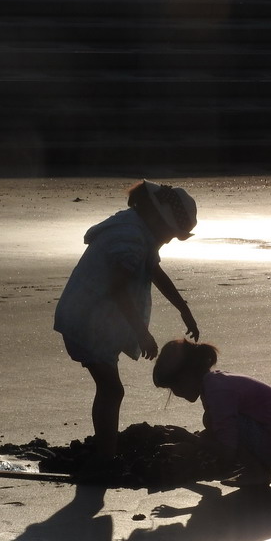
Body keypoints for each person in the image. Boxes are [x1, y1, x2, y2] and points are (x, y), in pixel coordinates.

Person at [54, 180, 200, 479]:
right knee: (111, 389)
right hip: (86, 321)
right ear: (159, 220)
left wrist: (182, 306)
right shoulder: (131, 237)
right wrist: (141, 333)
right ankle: (105, 458)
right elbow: (119, 288)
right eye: (171, 234)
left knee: (110, 388)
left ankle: (106, 452)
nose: (170, 241)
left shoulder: (136, 228)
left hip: (96, 320)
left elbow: (154, 271)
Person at [152, 339, 271, 487]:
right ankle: (258, 468)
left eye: (174, 387)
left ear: (186, 376)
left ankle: (256, 472)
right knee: (213, 423)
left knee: (214, 423)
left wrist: (189, 438)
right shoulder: (215, 382)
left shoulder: (217, 391)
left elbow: (227, 449)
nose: (176, 393)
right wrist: (186, 444)